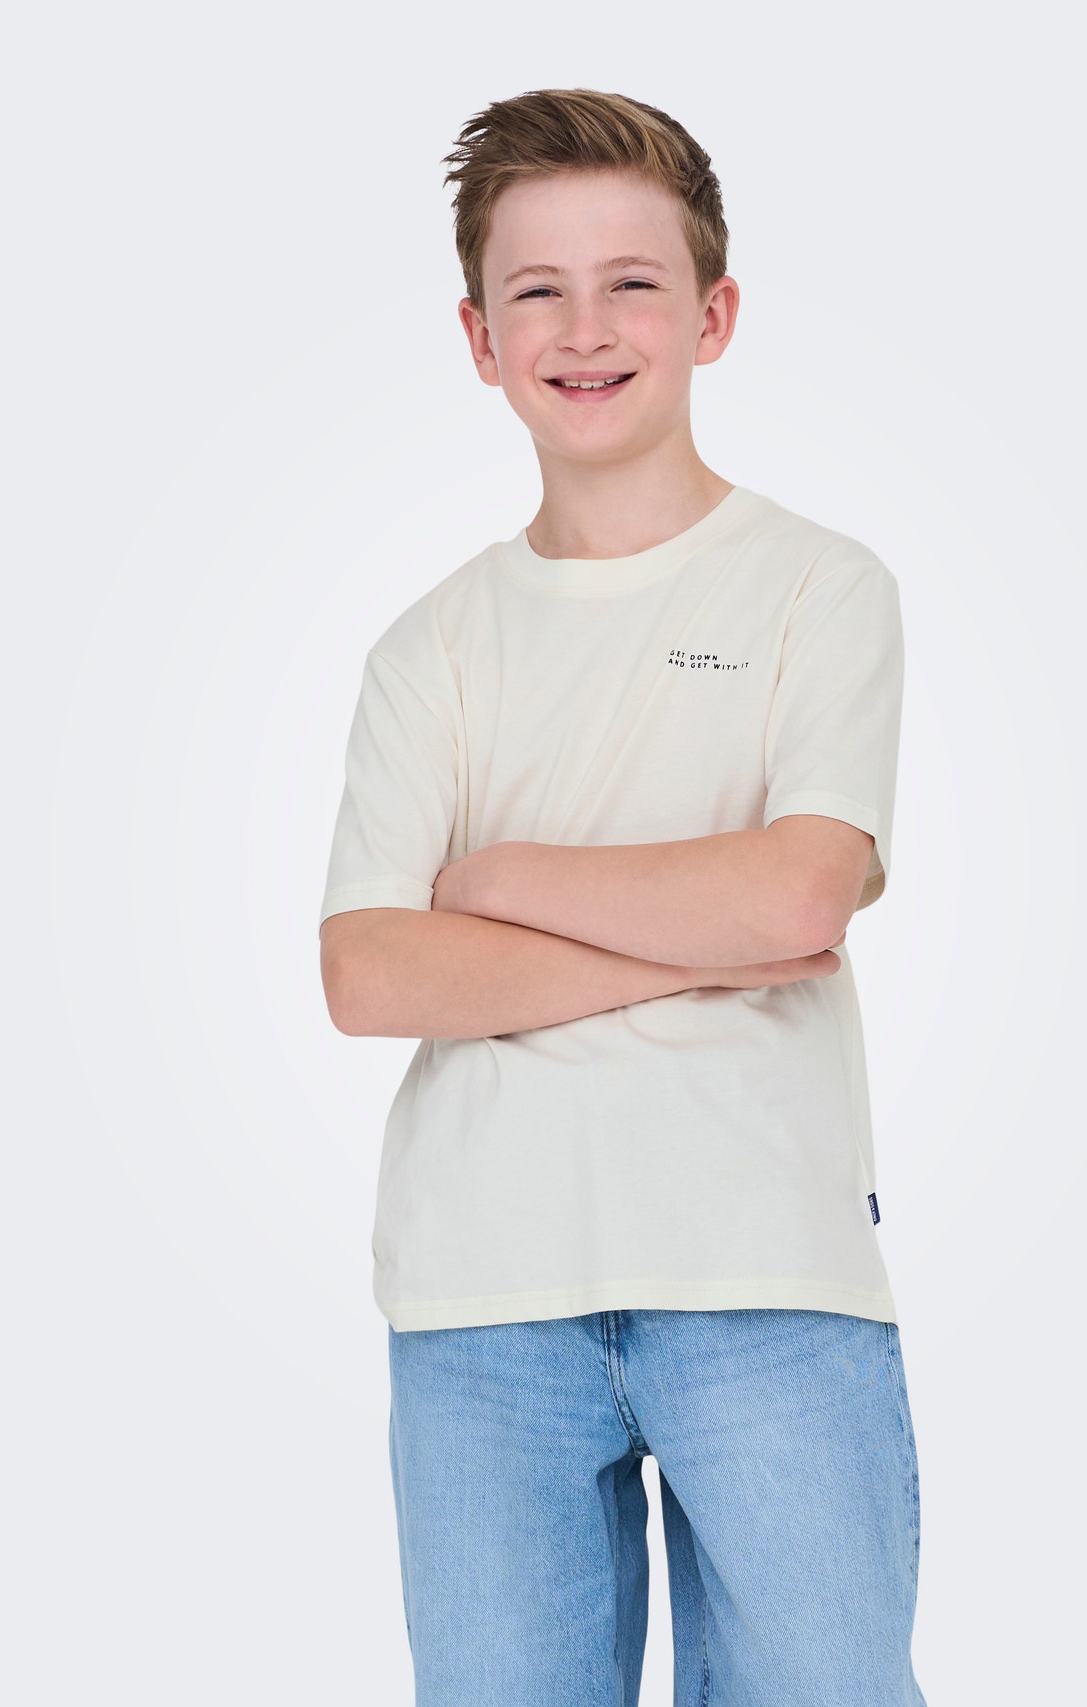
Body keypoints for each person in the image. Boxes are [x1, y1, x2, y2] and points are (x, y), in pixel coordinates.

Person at [318, 87, 927, 1707]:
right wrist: (707, 942)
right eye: (538, 290)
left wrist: (500, 887)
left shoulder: (820, 588)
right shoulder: (430, 650)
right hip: (481, 1297)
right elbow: (372, 974)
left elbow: (797, 891)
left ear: (713, 315)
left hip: (767, 1281)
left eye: (633, 283)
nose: (585, 329)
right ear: (479, 336)